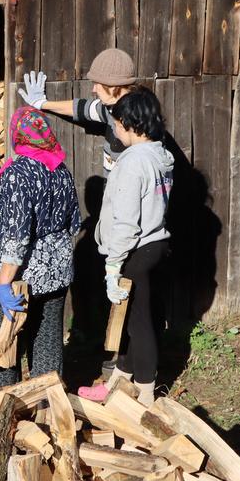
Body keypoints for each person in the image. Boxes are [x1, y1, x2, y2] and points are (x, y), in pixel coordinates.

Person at [77, 89, 174, 406]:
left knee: (139, 324)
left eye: (116, 124)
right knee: (135, 319)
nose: (115, 131)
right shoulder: (158, 155)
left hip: (136, 251)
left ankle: (145, 396)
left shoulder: (133, 164)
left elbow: (127, 221)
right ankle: (118, 382)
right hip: (156, 245)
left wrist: (112, 265)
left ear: (130, 124)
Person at [0, 106, 80, 387]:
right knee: (47, 343)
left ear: (17, 135)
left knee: (4, 344)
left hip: (20, 276)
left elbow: (17, 233)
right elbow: (74, 222)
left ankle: (5, 406)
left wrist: (3, 282)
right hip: (56, 273)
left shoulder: (17, 173)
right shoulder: (60, 169)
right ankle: (48, 409)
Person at [18, 48, 138, 172]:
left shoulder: (139, 123)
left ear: (113, 86)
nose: (94, 90)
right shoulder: (110, 109)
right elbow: (80, 108)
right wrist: (42, 103)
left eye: (97, 84)